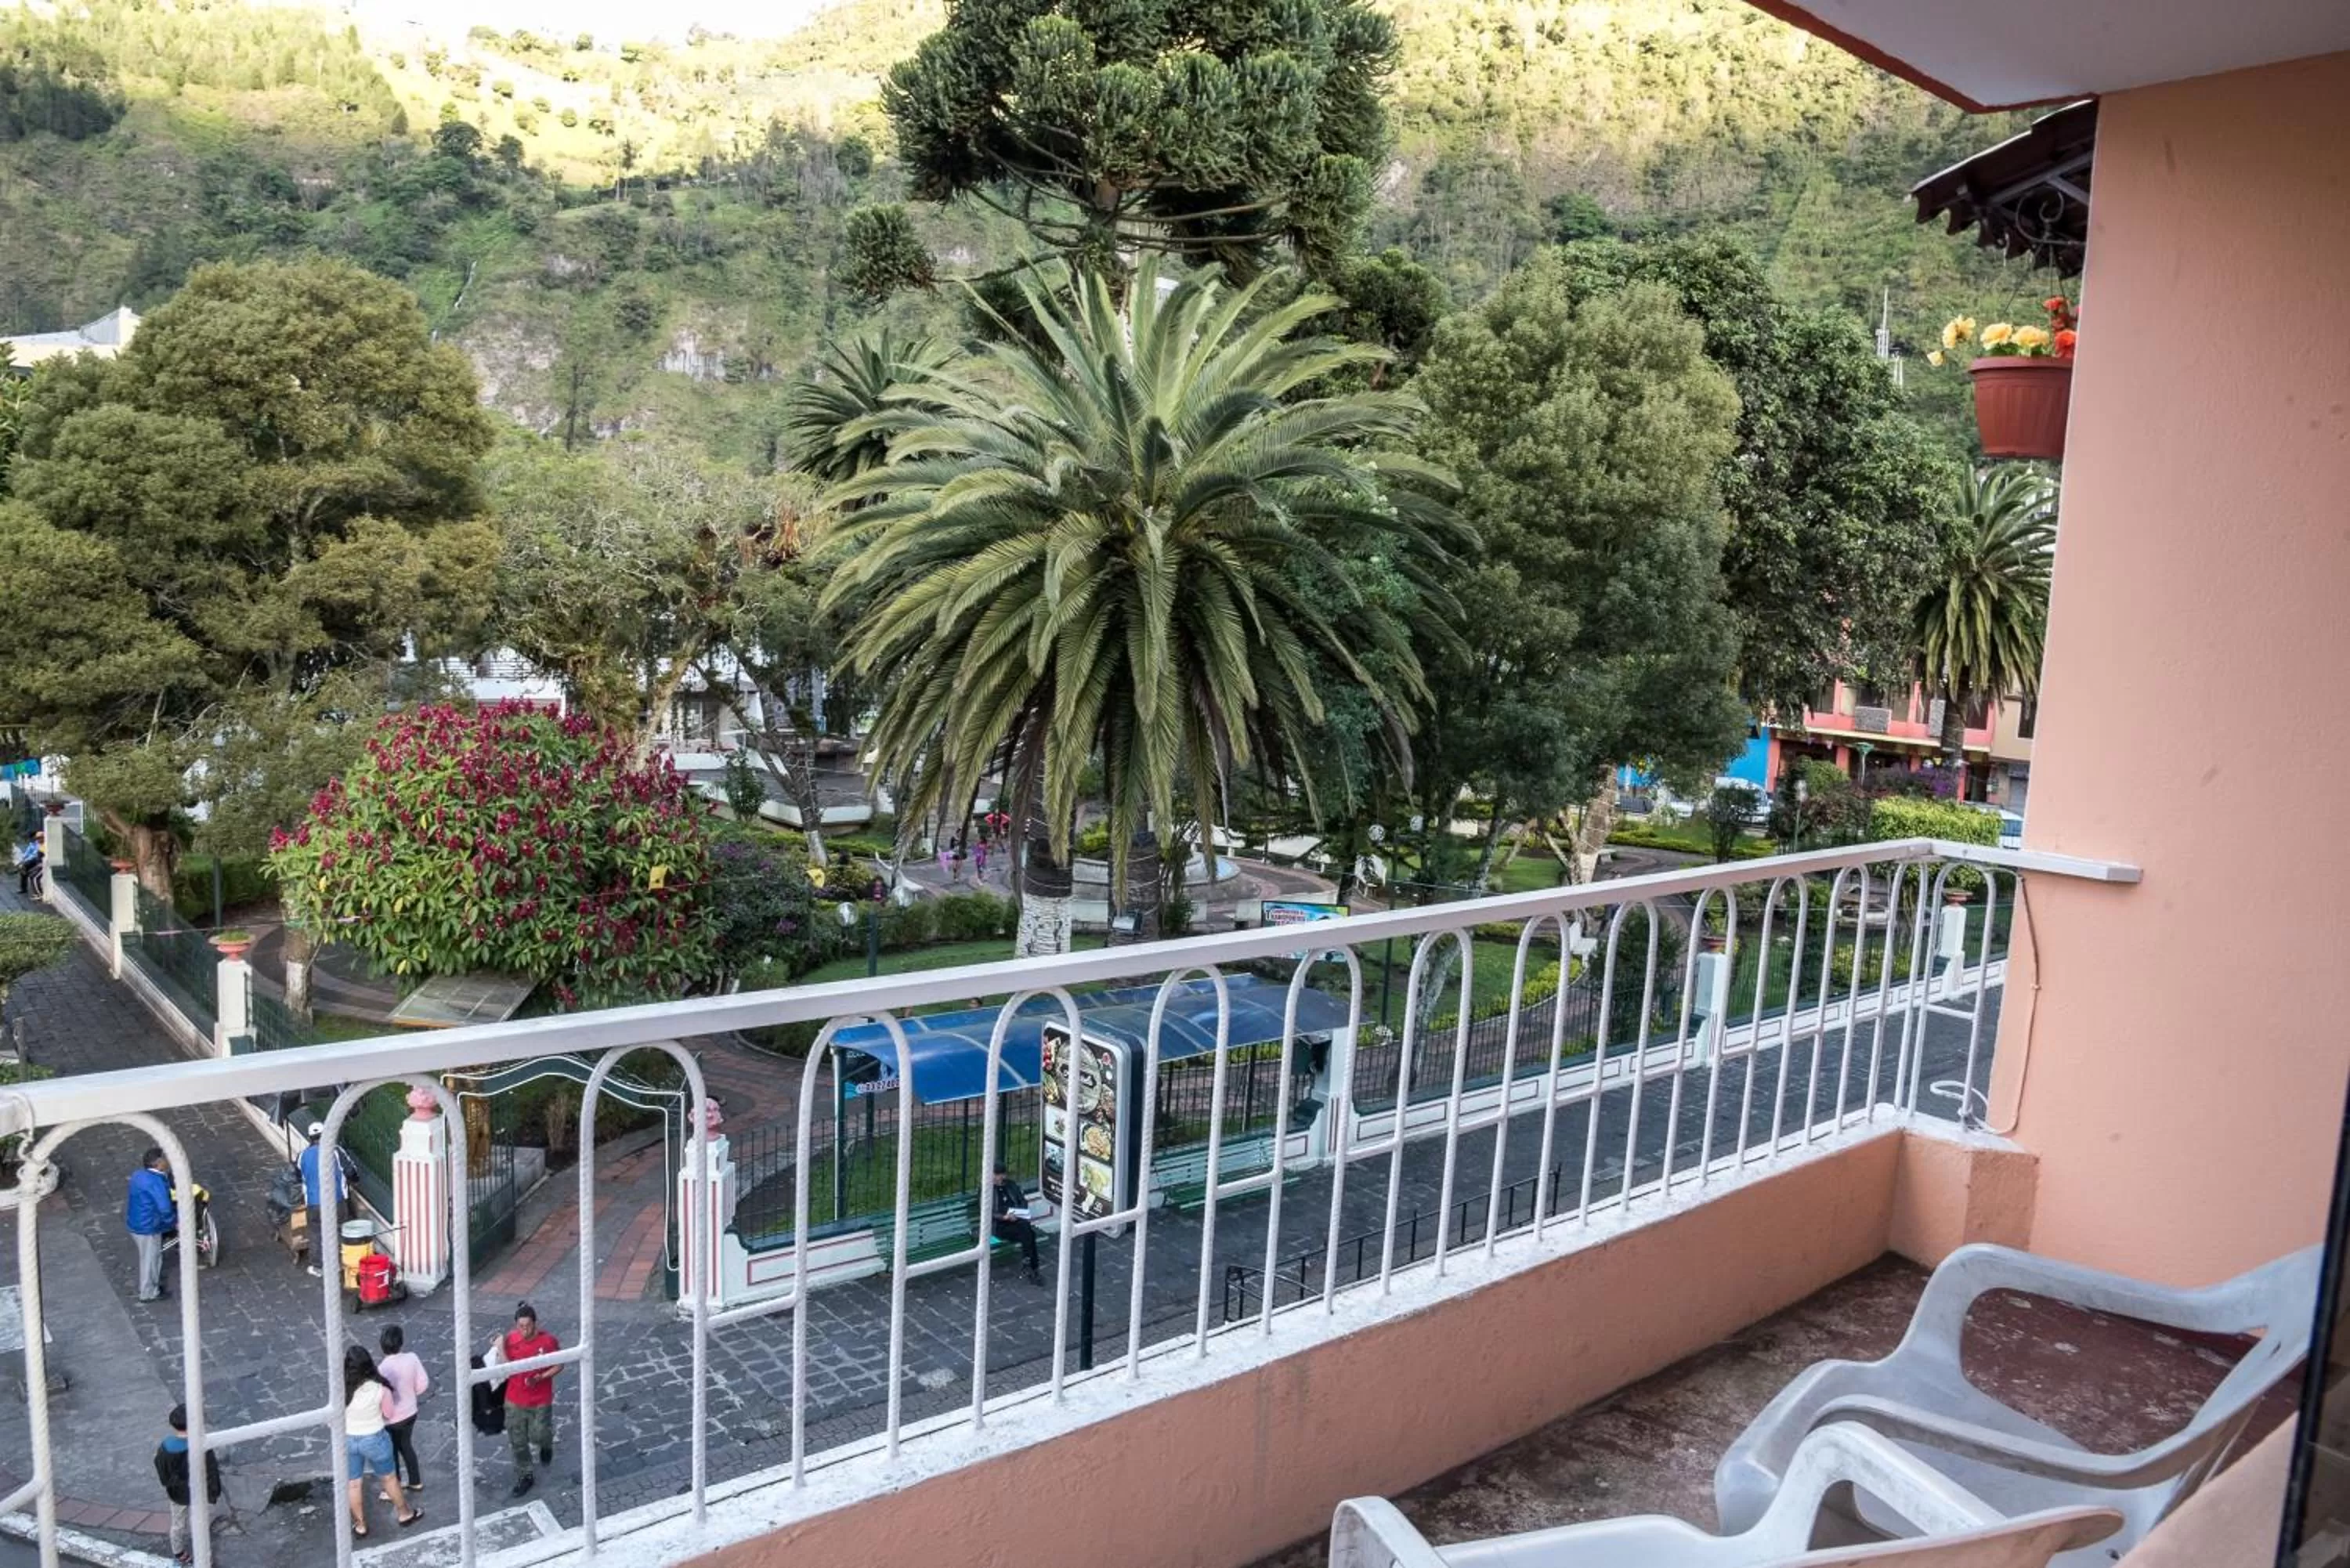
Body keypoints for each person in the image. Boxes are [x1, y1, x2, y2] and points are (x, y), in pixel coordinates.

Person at [342, 1346, 421, 1536]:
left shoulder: (341, 1389)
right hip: (375, 1438)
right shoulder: (380, 1389)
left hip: (350, 1439)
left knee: (353, 1484)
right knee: (389, 1479)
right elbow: (389, 1414)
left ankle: (360, 1525)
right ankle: (404, 1513)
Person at [500, 1302, 561, 1497]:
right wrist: (500, 1347)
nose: (524, 1330)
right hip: (515, 1398)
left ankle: (545, 1443)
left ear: (535, 1324)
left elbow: (559, 1364)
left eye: (528, 1326)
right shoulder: (510, 1340)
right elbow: (505, 1366)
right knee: (517, 1440)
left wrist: (541, 1377)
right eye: (520, 1326)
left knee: (538, 1433)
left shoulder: (548, 1342)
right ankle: (525, 1475)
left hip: (540, 1399)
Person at [154, 1403, 222, 1566]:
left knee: (178, 1523)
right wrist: (214, 1492)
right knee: (200, 1523)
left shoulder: (166, 1445)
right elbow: (211, 1471)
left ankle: (179, 1552)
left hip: (177, 1493)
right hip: (199, 1491)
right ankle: (204, 1555)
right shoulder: (201, 1446)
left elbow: (161, 1469)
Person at [377, 1324, 429, 1497]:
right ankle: (415, 1481)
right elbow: (422, 1384)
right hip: (410, 1412)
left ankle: (394, 1486)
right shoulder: (412, 1358)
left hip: (391, 1419)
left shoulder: (382, 1369)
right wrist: (411, 1393)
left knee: (391, 1453)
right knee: (407, 1446)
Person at [298, 1123, 350, 1278]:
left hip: (314, 1203)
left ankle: (318, 1267)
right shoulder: (335, 1151)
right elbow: (350, 1170)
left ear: (310, 1138)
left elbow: (296, 1175)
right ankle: (341, 1263)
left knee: (316, 1233)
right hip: (337, 1200)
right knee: (340, 1230)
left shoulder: (303, 1155)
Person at [125, 1147, 173, 1302]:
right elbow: (165, 1208)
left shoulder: (139, 1175)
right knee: (151, 1259)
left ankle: (150, 1288)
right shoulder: (156, 1183)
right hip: (148, 1227)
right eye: (164, 1158)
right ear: (159, 1164)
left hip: (136, 1222)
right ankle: (148, 1293)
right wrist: (174, 1221)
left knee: (149, 1256)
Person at [989, 1162, 1043, 1284]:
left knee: (1027, 1232)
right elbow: (988, 1212)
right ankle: (1032, 1267)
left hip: (1017, 1221)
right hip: (1000, 1226)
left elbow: (1022, 1201)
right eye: (996, 1175)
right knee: (1030, 1234)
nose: (998, 1178)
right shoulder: (987, 1190)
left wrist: (1018, 1213)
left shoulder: (1011, 1185)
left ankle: (1029, 1265)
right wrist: (1005, 1217)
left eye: (1000, 1174)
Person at [13, 833, 42, 898]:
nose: (30, 840)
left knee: (25, 867)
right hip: (30, 860)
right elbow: (27, 853)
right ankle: (23, 888)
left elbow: (35, 855)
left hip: (36, 860)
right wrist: (22, 860)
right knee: (23, 869)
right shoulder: (31, 844)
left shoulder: (38, 844)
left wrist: (25, 861)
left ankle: (26, 888)